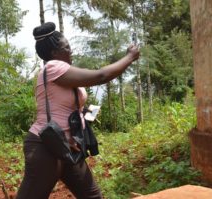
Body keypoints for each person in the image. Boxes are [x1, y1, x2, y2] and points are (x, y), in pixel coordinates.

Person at [16, 22, 139, 199]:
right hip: (45, 147)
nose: (71, 51)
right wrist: (129, 57)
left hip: (67, 147)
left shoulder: (63, 73)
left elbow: (65, 107)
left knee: (92, 196)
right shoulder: (52, 67)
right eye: (67, 47)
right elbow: (101, 76)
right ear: (54, 53)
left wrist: (84, 114)